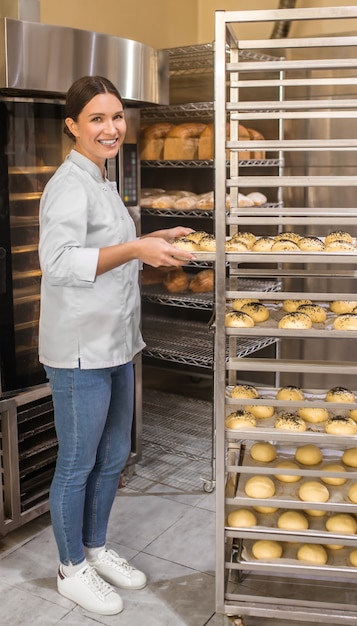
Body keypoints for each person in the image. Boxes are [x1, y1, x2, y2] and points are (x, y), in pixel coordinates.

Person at [38, 75, 195, 616]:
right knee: (78, 462)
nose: (111, 128)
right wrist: (134, 248)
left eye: (117, 117)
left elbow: (112, 248)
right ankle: (69, 568)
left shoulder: (103, 181)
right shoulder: (68, 183)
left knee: (113, 456)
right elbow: (58, 263)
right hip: (81, 350)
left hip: (118, 342)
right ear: (73, 126)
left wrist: (154, 241)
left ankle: (96, 548)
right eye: (97, 119)